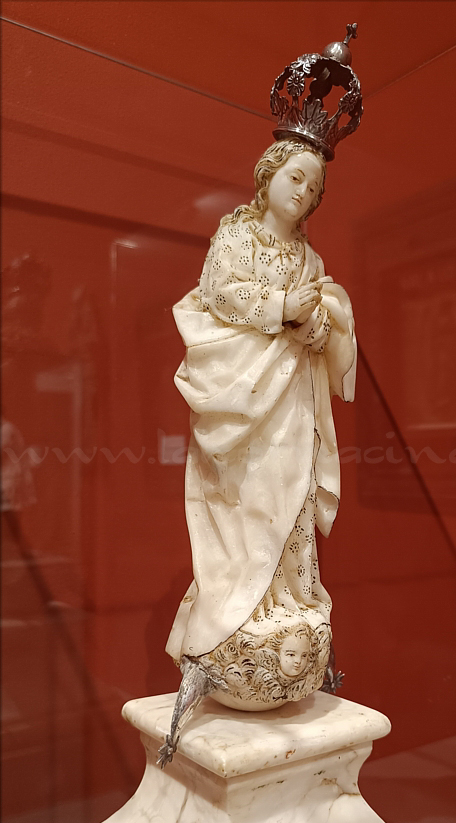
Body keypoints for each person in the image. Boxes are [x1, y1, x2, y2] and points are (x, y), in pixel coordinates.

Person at [159, 138, 356, 764]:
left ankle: (287, 599)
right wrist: (280, 307)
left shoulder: (309, 257)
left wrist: (317, 323)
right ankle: (240, 608)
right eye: (296, 177)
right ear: (269, 175)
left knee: (290, 497)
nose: (304, 192)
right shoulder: (236, 235)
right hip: (242, 402)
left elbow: (317, 329)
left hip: (291, 402)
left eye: (314, 188)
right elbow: (218, 293)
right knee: (244, 500)